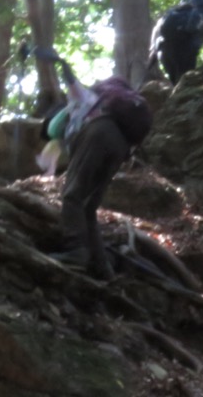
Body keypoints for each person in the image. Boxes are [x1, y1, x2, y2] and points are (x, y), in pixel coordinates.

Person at [38, 51, 136, 281]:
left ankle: (76, 252)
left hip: (98, 133)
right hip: (121, 146)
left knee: (72, 196)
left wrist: (59, 62)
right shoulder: (105, 108)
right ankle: (103, 267)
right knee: (89, 207)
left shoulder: (82, 99)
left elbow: (70, 80)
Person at [146, 0, 203, 85]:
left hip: (164, 51)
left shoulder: (171, 14)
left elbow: (156, 29)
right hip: (186, 53)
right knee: (185, 81)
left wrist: (153, 50)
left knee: (176, 81)